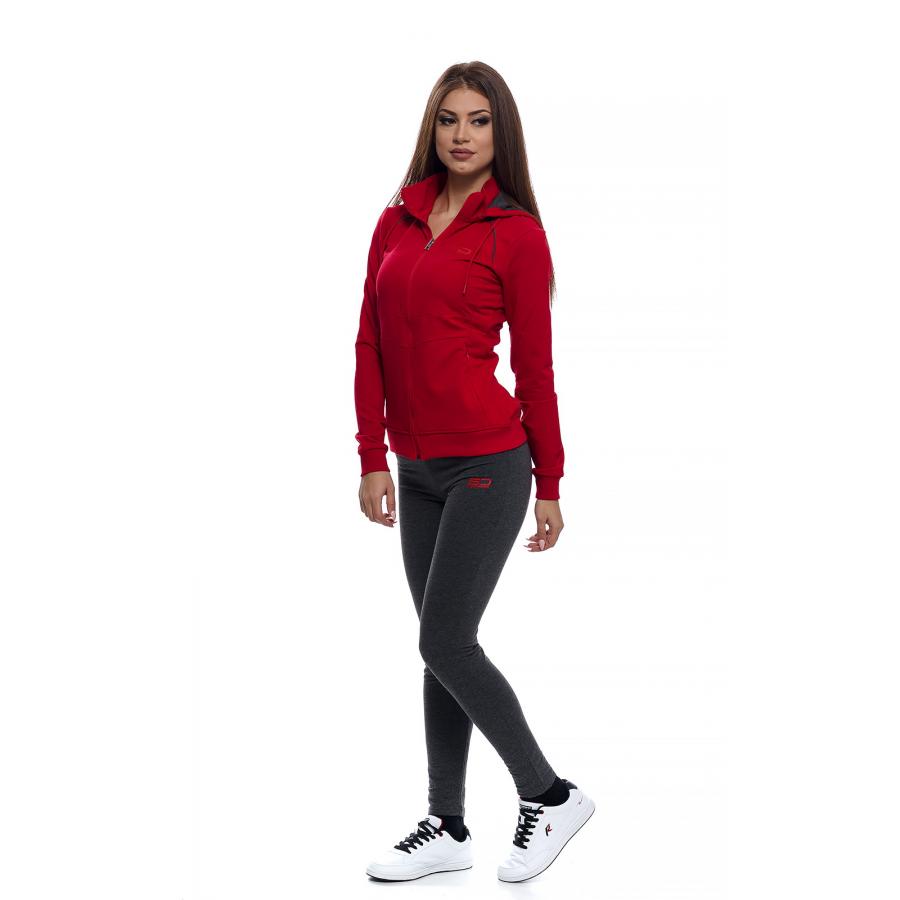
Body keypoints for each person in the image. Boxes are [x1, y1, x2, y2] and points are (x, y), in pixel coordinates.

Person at [354, 61, 594, 884]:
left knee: (444, 639)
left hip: (490, 462)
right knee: (440, 649)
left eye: (479, 120)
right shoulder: (396, 219)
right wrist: (372, 457)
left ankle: (550, 795)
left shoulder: (515, 233)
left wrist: (551, 481)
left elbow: (536, 367)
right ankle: (448, 824)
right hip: (414, 468)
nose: (462, 134)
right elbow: (369, 341)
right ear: (433, 128)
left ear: (501, 133)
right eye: (450, 119)